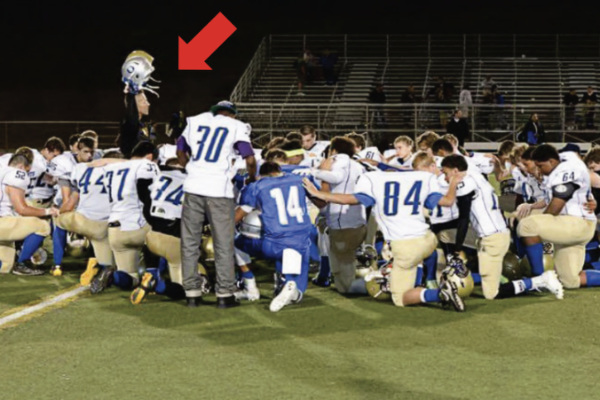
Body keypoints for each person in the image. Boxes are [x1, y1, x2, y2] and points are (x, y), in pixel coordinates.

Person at [303, 157, 466, 311]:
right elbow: (448, 201)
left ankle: (439, 293)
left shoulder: (374, 181)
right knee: (407, 262)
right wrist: (453, 182)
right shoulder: (419, 178)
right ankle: (417, 278)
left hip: (405, 246)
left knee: (400, 297)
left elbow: (349, 199)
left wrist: (319, 194)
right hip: (428, 240)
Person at [177, 100, 257, 308]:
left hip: (193, 187)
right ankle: (224, 294)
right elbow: (249, 157)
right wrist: (252, 178)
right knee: (223, 243)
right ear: (232, 114)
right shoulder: (235, 125)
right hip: (218, 190)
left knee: (190, 242)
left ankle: (192, 293)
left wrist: (191, 169)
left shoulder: (196, 121)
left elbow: (180, 149)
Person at [518, 145, 599, 290]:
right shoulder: (565, 159)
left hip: (576, 223)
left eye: (541, 166)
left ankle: (540, 278)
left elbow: (557, 204)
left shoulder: (566, 169)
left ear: (551, 161)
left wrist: (543, 226)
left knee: (527, 226)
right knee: (569, 281)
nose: (539, 170)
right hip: (571, 225)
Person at [235, 161, 314, 311]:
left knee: (236, 242)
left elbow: (238, 215)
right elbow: (320, 201)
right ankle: (289, 285)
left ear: (260, 175)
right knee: (298, 293)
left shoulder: (256, 186)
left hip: (272, 243)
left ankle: (250, 287)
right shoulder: (299, 180)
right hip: (300, 242)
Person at [130, 158, 209, 304]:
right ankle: (158, 285)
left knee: (154, 234)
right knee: (185, 290)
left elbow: (147, 208)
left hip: (152, 239)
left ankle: (151, 274)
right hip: (175, 243)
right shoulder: (195, 181)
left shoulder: (159, 177)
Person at [90, 141, 159, 294]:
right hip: (137, 225)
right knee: (164, 235)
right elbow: (146, 194)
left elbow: (96, 164)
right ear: (150, 157)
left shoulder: (111, 168)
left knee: (131, 278)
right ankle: (155, 278)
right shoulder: (147, 165)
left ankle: (112, 276)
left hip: (115, 229)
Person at [310, 137, 367, 294]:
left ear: (333, 150)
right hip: (359, 220)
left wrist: (315, 171)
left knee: (344, 274)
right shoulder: (358, 166)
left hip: (343, 224)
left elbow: (336, 178)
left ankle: (372, 285)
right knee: (343, 266)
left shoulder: (337, 160)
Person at [0, 154, 59, 275]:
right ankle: (21, 264)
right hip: (2, 223)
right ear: (21, 166)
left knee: (5, 266)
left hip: (4, 222)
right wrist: (47, 211)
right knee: (42, 226)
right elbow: (22, 209)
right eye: (27, 170)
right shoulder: (17, 174)